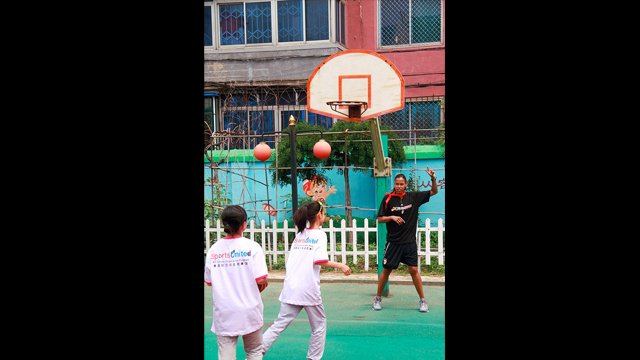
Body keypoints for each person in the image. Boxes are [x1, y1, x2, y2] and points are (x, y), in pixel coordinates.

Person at [262, 200, 352, 360]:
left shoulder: (300, 235)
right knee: (319, 325)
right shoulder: (320, 235)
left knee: (279, 324)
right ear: (319, 215)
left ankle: (256, 352)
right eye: (324, 212)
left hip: (291, 287)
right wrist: (341, 265)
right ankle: (313, 358)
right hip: (308, 289)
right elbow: (319, 260)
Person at [204, 205, 269, 360]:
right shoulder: (252, 247)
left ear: (224, 224)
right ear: (243, 224)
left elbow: (209, 281)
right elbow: (261, 279)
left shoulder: (214, 250)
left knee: (226, 354)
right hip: (250, 309)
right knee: (254, 351)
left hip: (225, 312)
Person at [372, 168, 439, 312]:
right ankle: (377, 298)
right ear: (394, 184)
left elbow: (434, 192)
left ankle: (422, 300)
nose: (399, 186)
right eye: (397, 184)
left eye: (401, 184)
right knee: (387, 270)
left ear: (406, 184)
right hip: (393, 242)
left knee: (414, 269)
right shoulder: (388, 199)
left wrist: (433, 178)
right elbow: (379, 219)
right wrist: (391, 217)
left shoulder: (414, 197)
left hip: (409, 242)